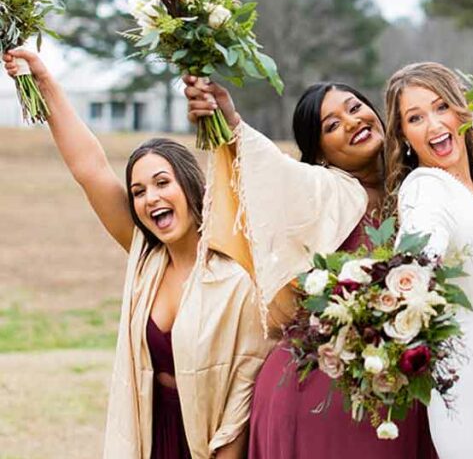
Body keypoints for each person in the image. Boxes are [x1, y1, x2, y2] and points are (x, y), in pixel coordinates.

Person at [4, 50, 272, 459]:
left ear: (190, 186)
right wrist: (42, 78)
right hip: (151, 431)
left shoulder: (233, 273)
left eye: (162, 182)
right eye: (139, 191)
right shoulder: (146, 258)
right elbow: (89, 167)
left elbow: (244, 389)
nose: (151, 198)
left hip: (208, 441)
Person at [182, 77, 436, 458]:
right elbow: (271, 168)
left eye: (354, 108)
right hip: (319, 391)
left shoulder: (418, 191)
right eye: (331, 125)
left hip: (394, 391)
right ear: (319, 154)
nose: (351, 122)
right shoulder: (323, 192)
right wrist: (230, 119)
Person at [383, 61, 473, 458]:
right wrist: (418, 266)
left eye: (441, 107)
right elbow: (419, 250)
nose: (434, 125)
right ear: (405, 136)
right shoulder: (426, 186)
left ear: (461, 111)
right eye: (415, 117)